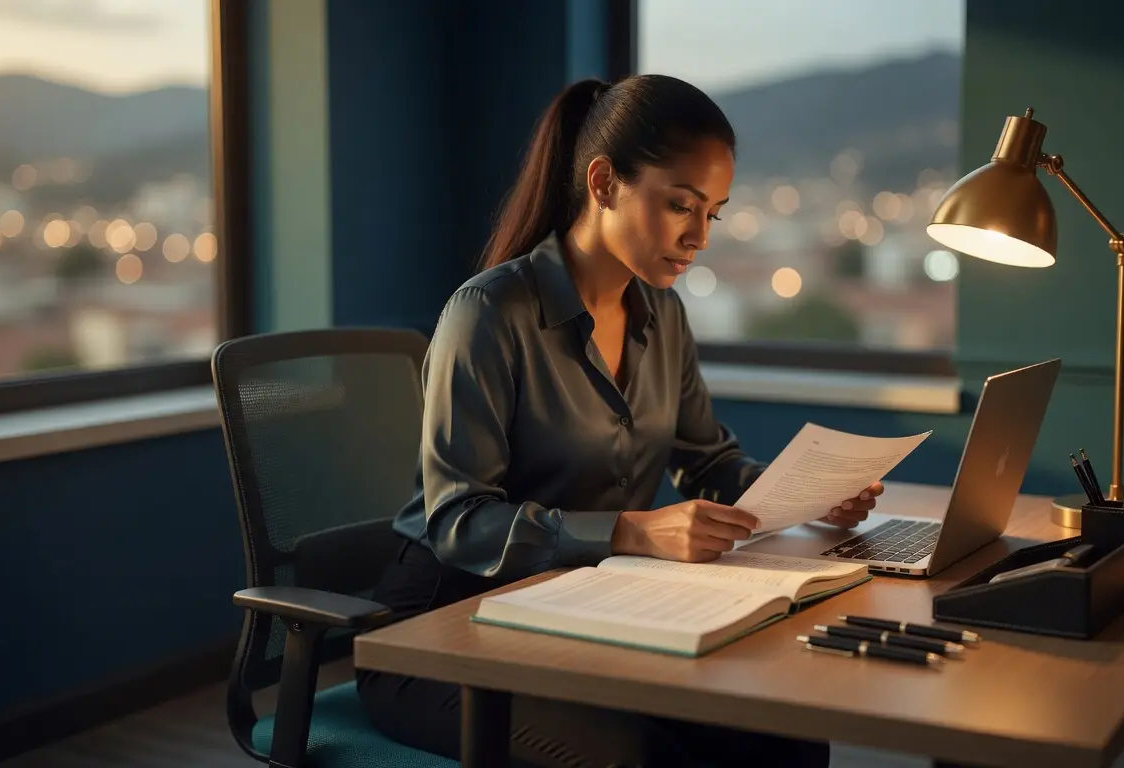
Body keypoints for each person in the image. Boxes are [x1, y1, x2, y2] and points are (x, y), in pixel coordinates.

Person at [355, 74, 883, 767]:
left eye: (713, 214)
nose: (699, 237)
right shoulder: (488, 315)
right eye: (681, 206)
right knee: (636, 755)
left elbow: (709, 461)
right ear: (603, 182)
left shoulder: (662, 314)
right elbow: (459, 522)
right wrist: (632, 531)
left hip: (580, 612)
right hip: (443, 631)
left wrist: (807, 494)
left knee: (781, 734)